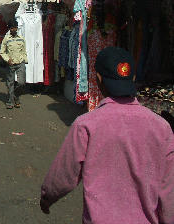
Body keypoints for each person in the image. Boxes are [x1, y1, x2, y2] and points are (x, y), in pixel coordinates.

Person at [40, 47, 174, 223]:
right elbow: (168, 188)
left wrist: (47, 197)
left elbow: (63, 175)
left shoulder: (87, 124)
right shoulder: (162, 127)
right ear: (133, 78)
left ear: (98, 79)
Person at [0, 19, 27, 109]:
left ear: (17, 28)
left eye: (15, 28)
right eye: (11, 28)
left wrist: (25, 59)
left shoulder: (21, 38)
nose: (13, 29)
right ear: (9, 29)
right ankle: (10, 101)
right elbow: (2, 52)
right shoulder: (6, 39)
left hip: (20, 63)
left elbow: (24, 51)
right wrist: (7, 60)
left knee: (21, 82)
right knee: (10, 83)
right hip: (10, 64)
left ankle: (15, 95)